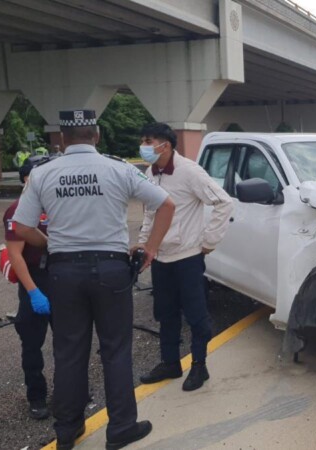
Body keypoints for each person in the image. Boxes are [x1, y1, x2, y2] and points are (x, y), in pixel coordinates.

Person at [12, 110, 175, 450]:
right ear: (97, 136)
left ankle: (67, 431)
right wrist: (151, 249)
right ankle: (120, 430)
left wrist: (53, 243)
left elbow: (23, 228)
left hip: (64, 272)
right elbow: (166, 205)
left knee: (69, 352)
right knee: (116, 350)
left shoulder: (43, 173)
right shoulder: (118, 168)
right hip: (111, 269)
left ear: (61, 139)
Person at [136, 123, 234, 391]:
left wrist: (208, 242)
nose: (144, 146)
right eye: (143, 141)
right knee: (165, 313)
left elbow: (223, 202)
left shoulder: (189, 172)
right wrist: (145, 244)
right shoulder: (150, 171)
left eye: (148, 141)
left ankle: (199, 366)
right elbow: (150, 213)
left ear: (164, 145)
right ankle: (170, 363)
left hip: (188, 257)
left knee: (196, 315)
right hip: (161, 257)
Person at [3, 155, 53, 420]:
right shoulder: (18, 209)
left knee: (70, 342)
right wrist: (34, 292)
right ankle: (37, 396)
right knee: (32, 345)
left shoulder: (54, 202)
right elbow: (16, 255)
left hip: (61, 278)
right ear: (26, 178)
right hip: (35, 280)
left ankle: (72, 391)